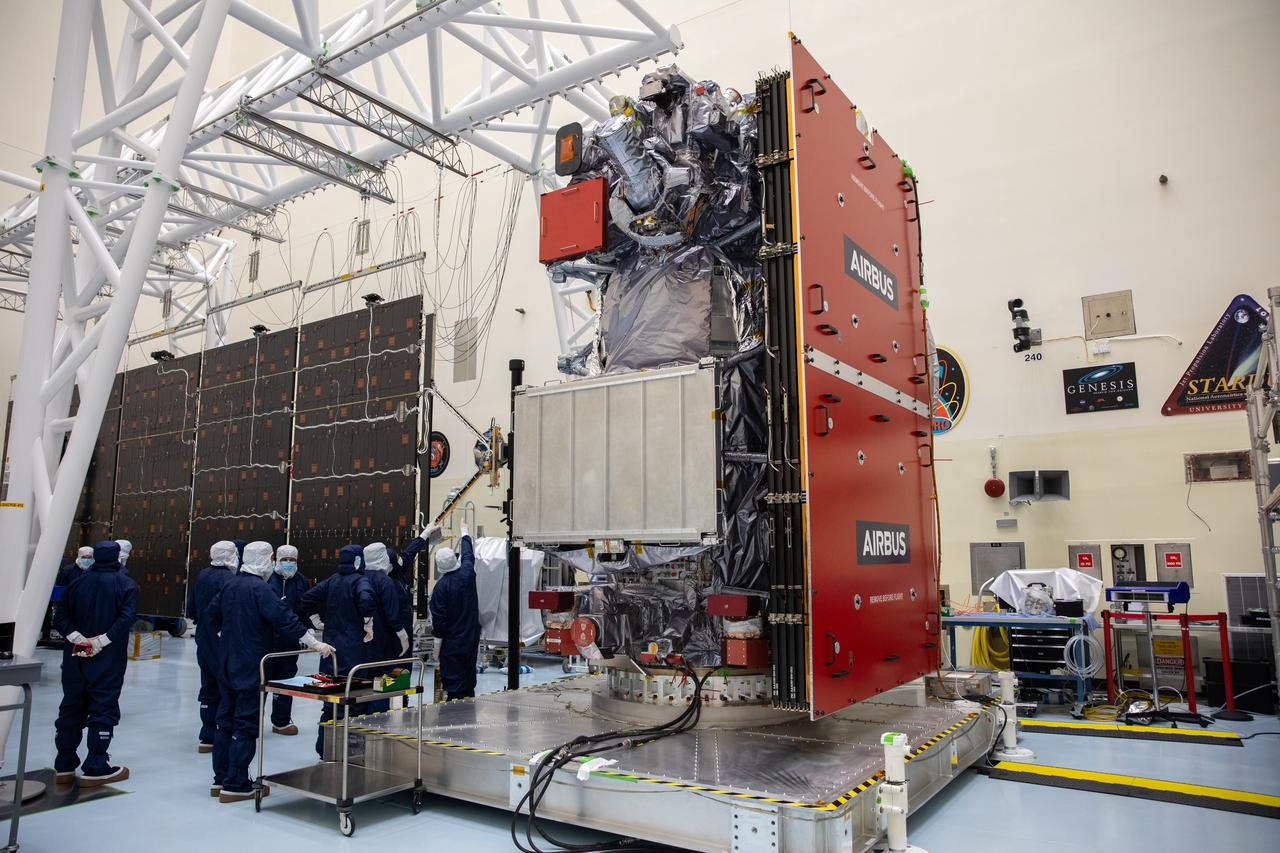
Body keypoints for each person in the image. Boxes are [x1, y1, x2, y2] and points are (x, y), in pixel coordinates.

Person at [207, 541, 333, 803]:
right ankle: (236, 784)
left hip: (227, 661)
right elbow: (284, 619)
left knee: (225, 720)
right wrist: (315, 643)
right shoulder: (260, 589)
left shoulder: (230, 585)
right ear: (265, 560)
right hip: (250, 663)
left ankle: (220, 779)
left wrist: (230, 636)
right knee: (246, 722)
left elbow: (211, 616)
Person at [51, 541, 138, 786]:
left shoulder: (77, 583)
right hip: (107, 657)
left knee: (71, 706)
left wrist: (77, 638)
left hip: (75, 655)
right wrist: (101, 640)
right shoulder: (126, 584)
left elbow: (60, 617)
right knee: (103, 707)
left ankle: (64, 765)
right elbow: (126, 618)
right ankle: (96, 766)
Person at [301, 544, 375, 757]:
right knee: (352, 704)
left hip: (330, 653)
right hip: (354, 654)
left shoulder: (332, 581)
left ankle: (324, 751)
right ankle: (349, 754)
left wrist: (315, 619)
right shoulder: (360, 581)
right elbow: (366, 599)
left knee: (329, 703)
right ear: (359, 560)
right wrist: (368, 622)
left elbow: (307, 598)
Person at [185, 541, 238, 766]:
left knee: (207, 686)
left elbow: (191, 609)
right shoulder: (229, 580)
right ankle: (223, 733)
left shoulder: (203, 575)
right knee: (225, 687)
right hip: (222, 641)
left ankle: (206, 734)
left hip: (204, 639)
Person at [429, 523, 481, 701]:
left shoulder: (441, 588)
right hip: (471, 636)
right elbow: (468, 554)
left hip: (452, 642)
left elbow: (439, 620)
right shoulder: (468, 574)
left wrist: (437, 645)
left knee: (454, 683)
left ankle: (454, 712)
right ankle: (469, 706)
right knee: (468, 677)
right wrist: (465, 532)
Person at [361, 543, 412, 713]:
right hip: (385, 643)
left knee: (367, 684)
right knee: (385, 683)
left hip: (365, 644)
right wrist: (402, 635)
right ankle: (380, 718)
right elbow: (392, 614)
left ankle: (365, 717)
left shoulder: (360, 578)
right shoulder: (386, 582)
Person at [266, 544, 309, 735]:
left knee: (286, 680)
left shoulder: (300, 580)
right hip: (267, 639)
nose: (289, 563)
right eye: (285, 560)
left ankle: (281, 721)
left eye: (292, 560)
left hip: (289, 640)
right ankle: (251, 720)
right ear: (276, 560)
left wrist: (307, 628)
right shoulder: (267, 578)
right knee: (261, 679)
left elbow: (304, 606)